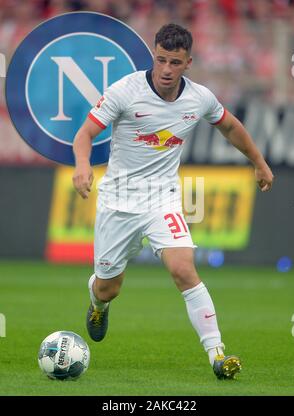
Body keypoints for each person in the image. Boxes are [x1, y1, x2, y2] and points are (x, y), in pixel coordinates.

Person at [72, 23, 274, 380]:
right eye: (161, 60)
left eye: (175, 62)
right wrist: (83, 165)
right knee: (109, 287)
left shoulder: (199, 98)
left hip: (162, 199)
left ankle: (217, 354)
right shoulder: (125, 91)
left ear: (188, 63)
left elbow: (229, 126)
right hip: (118, 201)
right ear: (153, 55)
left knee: (183, 270)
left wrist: (258, 162)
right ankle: (97, 301)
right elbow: (85, 133)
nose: (166, 69)